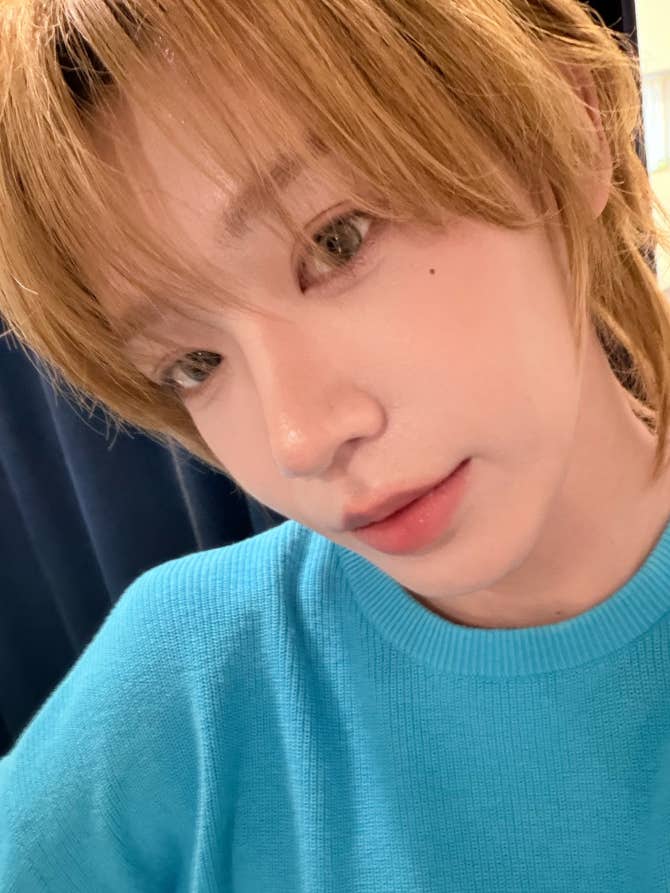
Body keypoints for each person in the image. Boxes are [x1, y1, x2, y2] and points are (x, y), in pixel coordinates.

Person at [1, 0, 670, 889]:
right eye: (194, 363)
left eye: (337, 240)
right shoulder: (183, 685)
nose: (299, 438)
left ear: (571, 126)